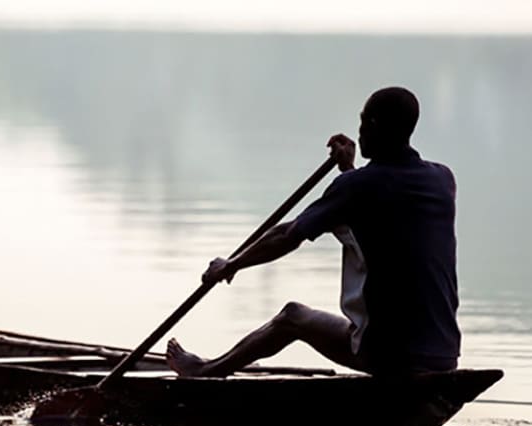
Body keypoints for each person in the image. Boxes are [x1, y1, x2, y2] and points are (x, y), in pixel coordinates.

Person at [166, 87, 460, 377]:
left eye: (362, 123)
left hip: (387, 354)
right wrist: (350, 170)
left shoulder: (357, 188)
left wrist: (232, 264)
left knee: (292, 317)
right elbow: (382, 207)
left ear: (372, 125)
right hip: (444, 354)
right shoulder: (442, 181)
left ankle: (205, 371)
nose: (358, 133)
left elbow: (288, 235)